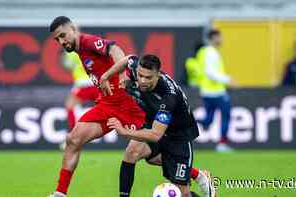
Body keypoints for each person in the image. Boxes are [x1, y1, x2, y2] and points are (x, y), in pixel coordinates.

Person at [47, 16, 146, 197]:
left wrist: (123, 74)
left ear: (73, 29)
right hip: (107, 104)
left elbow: (115, 49)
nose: (62, 42)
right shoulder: (78, 51)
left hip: (127, 104)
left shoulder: (87, 41)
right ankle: (60, 194)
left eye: (63, 35)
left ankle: (198, 175)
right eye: (57, 39)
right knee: (73, 140)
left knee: (153, 157)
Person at [102, 54, 216, 197]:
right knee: (132, 152)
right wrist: (106, 76)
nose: (142, 81)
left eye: (148, 78)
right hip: (154, 123)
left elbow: (156, 135)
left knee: (183, 194)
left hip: (178, 136)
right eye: (140, 75)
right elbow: (128, 59)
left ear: (158, 75)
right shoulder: (136, 68)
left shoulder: (169, 96)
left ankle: (198, 176)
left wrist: (124, 131)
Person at [195, 29, 236, 152]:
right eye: (219, 37)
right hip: (216, 92)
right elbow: (210, 73)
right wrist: (228, 80)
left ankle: (191, 120)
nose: (221, 40)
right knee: (226, 115)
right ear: (213, 38)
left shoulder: (203, 52)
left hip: (206, 91)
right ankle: (222, 144)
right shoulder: (211, 53)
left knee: (208, 120)